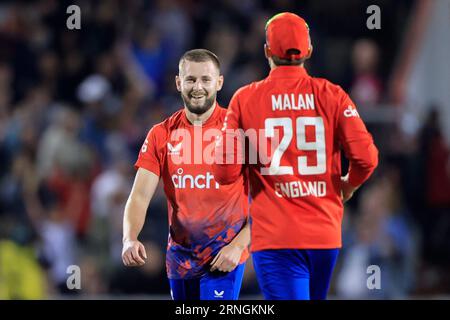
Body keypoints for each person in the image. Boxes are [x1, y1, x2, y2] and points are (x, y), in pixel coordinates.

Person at [213, 12, 378, 300]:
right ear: (309, 51)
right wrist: (347, 186)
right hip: (325, 235)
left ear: (266, 51)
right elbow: (367, 158)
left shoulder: (245, 99)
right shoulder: (333, 95)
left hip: (276, 238)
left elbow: (224, 173)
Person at [122, 49, 250, 300]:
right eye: (191, 79)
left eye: (206, 79)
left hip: (224, 257)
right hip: (180, 258)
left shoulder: (240, 133)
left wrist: (238, 245)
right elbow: (138, 196)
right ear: (179, 83)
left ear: (219, 82)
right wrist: (129, 238)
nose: (198, 87)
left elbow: (268, 200)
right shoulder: (161, 134)